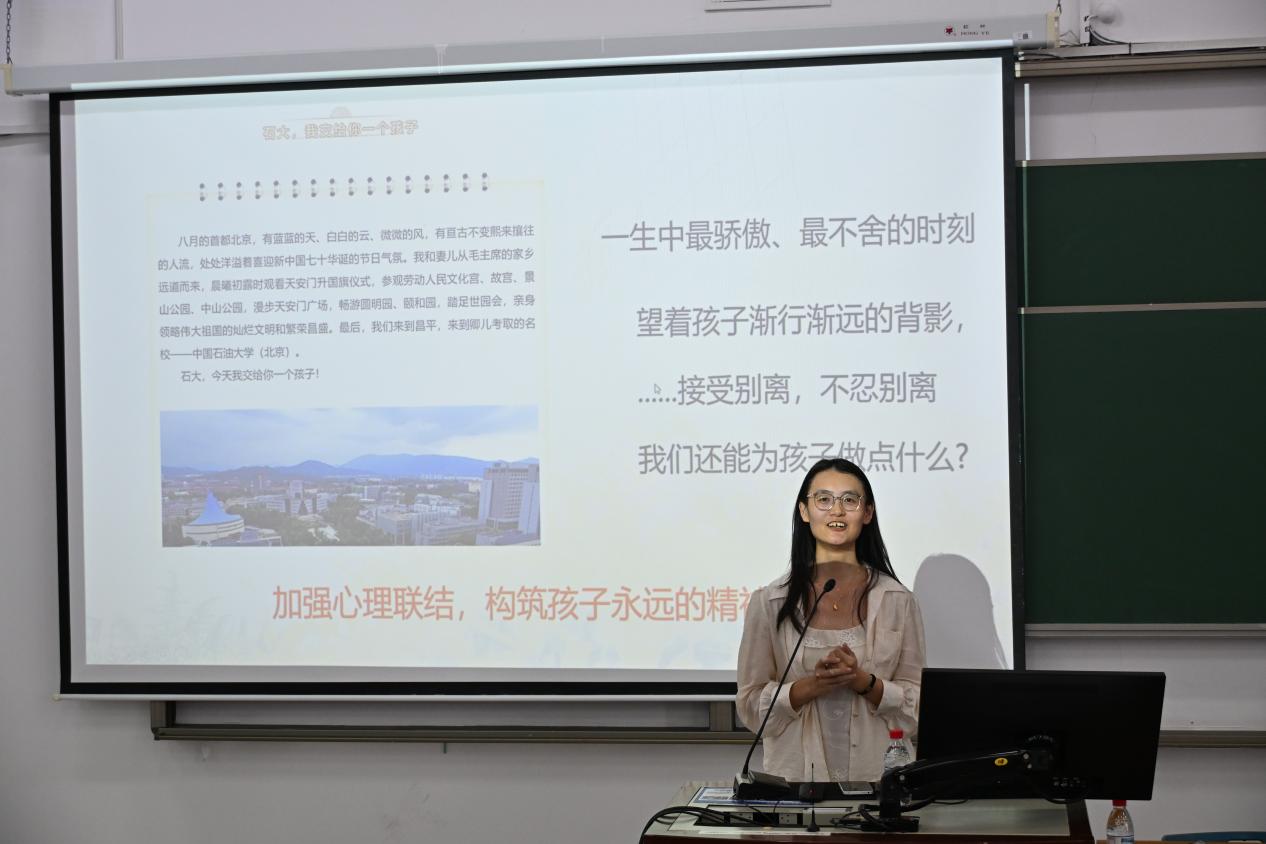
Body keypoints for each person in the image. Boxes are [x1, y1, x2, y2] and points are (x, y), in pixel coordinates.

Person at [736, 458, 926, 783]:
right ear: (804, 511)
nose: (837, 511)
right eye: (823, 499)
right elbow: (751, 706)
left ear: (867, 513)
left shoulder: (898, 601)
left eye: (849, 500)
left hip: (880, 782)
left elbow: (919, 707)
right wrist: (814, 685)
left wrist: (862, 681)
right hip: (795, 784)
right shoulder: (769, 603)